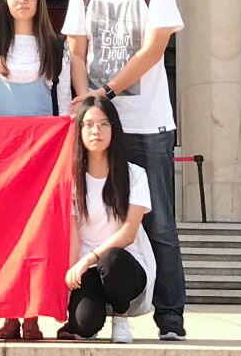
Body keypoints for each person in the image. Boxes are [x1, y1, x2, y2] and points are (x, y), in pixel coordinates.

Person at [62, 0, 188, 341]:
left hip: (147, 125)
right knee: (86, 214)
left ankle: (170, 318)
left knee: (160, 225)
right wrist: (88, 104)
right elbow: (77, 52)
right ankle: (86, 304)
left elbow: (153, 50)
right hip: (97, 126)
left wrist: (106, 93)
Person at [0, 0, 72, 341]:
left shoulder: (56, 46)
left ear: (40, 0)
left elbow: (64, 106)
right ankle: (9, 313)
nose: (23, 0)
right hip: (2, 154)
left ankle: (32, 313)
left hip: (43, 156)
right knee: (4, 236)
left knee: (38, 236)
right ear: (5, 0)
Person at [57, 94, 153, 344]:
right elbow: (73, 236)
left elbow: (128, 234)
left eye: (103, 124)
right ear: (79, 131)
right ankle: (92, 312)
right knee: (83, 326)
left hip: (125, 265)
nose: (96, 131)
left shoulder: (134, 174)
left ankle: (120, 319)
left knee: (112, 259)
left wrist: (89, 258)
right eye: (88, 124)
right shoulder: (71, 178)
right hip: (87, 269)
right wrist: (72, 274)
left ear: (114, 129)